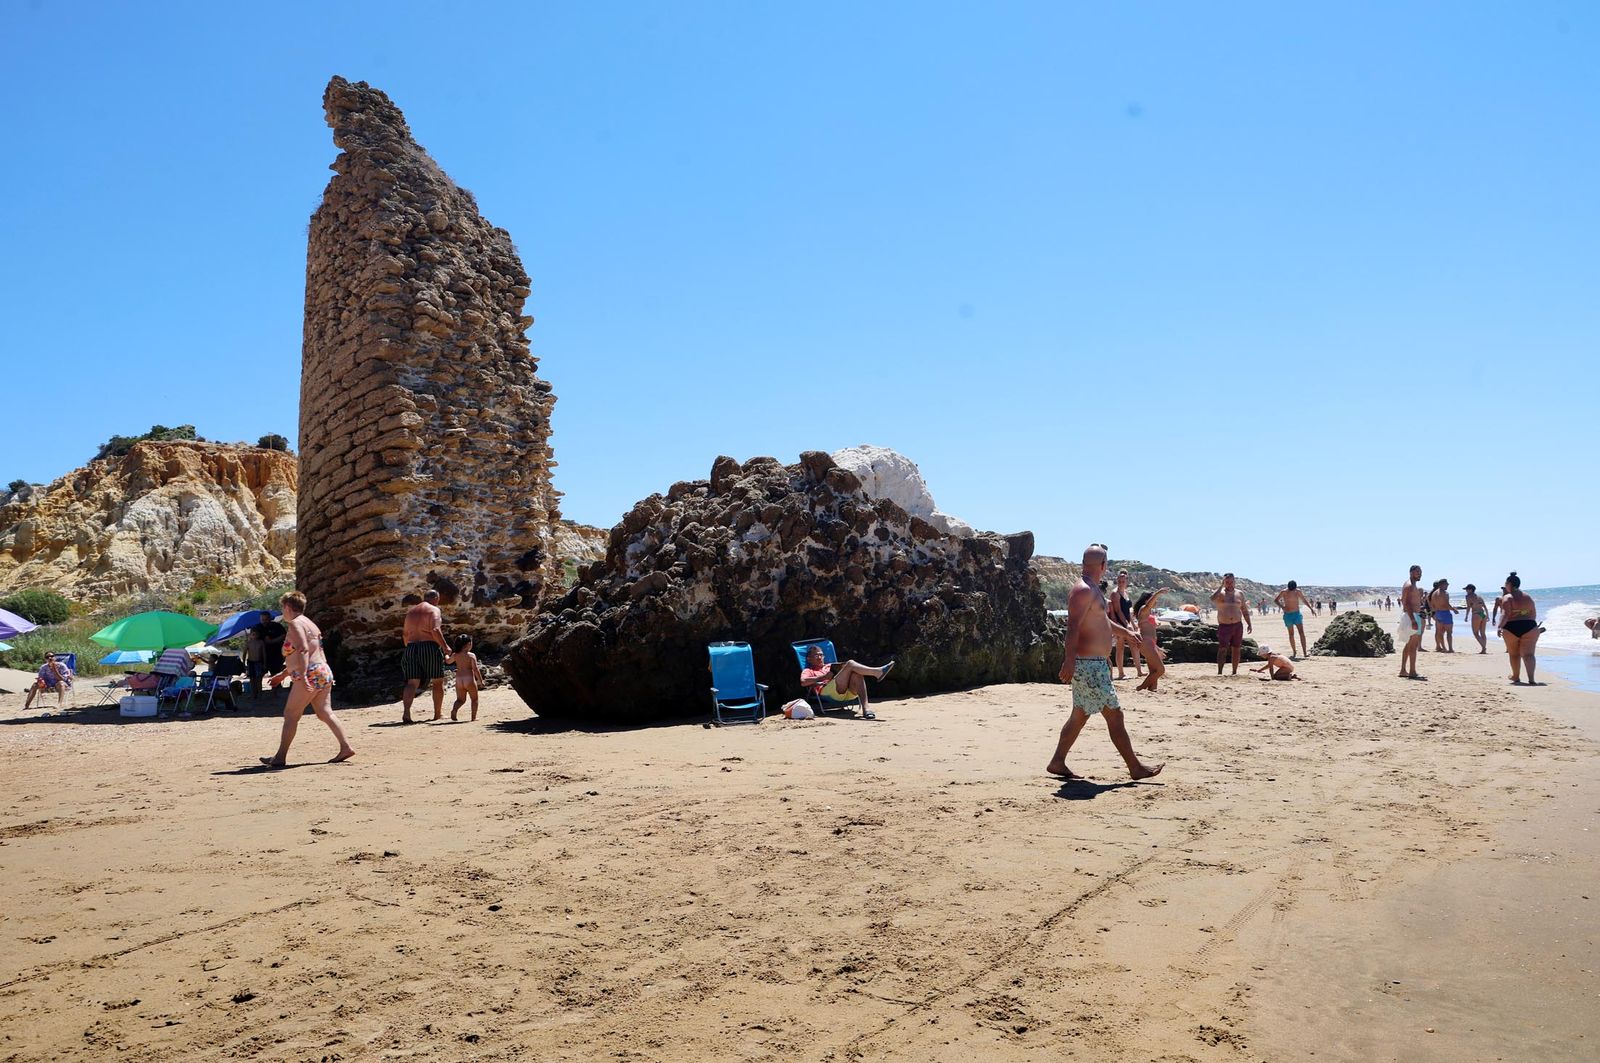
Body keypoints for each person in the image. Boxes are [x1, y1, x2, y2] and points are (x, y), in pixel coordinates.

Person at [1047, 544, 1163, 782]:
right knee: (1115, 716)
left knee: (1080, 715)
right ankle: (1135, 767)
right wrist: (1069, 661)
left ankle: (1058, 761)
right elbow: (1072, 627)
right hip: (1088, 664)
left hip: (1094, 663)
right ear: (1103, 565)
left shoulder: (1092, 590)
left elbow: (1102, 623)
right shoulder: (1082, 590)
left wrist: (1126, 633)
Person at [260, 591, 354, 768]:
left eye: (282, 607)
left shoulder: (295, 624)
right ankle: (345, 747)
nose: (283, 611)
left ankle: (280, 757)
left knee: (290, 715)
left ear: (288, 607)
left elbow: (303, 650)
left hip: (309, 673)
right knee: (325, 712)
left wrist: (302, 676)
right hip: (323, 670)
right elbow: (306, 652)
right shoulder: (310, 624)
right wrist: (283, 674)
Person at [800, 644, 893, 720]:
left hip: (848, 691)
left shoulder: (830, 666)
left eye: (821, 655)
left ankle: (866, 709)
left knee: (856, 674)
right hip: (828, 691)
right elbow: (803, 682)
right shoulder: (809, 670)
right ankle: (877, 672)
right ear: (809, 659)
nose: (820, 657)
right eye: (816, 655)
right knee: (851, 663)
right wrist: (823, 677)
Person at [401, 589, 451, 723]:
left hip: (411, 647)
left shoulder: (411, 612)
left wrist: (409, 647)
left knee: (412, 682)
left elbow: (405, 634)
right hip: (429, 646)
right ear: (436, 598)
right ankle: (437, 714)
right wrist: (445, 647)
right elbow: (435, 630)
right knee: (437, 680)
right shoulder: (433, 610)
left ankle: (406, 713)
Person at [1496, 573, 1542, 685]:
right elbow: (1533, 614)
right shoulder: (1528, 597)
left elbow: (1505, 614)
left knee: (1514, 654)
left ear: (1509, 584)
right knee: (1529, 655)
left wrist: (1499, 626)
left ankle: (1516, 677)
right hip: (1529, 626)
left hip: (1511, 627)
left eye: (1506, 583)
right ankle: (1531, 679)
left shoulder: (1507, 597)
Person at [1210, 573, 1253, 675]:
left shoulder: (1240, 593)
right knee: (1222, 649)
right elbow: (1212, 598)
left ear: (1235, 582)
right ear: (1224, 582)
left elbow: (1244, 610)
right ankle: (1220, 672)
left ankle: (1234, 672)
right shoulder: (1220, 593)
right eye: (1227, 582)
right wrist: (1221, 586)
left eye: (1231, 582)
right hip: (1224, 626)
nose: (1229, 584)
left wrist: (1249, 624)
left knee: (1237, 649)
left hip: (1237, 625)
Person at [1106, 569, 1143, 680]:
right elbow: (1118, 611)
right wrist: (1126, 625)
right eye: (1119, 581)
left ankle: (1139, 671)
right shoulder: (1115, 593)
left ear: (1127, 581)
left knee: (1134, 645)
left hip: (1127, 622)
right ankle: (1121, 673)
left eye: (1123, 581)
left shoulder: (1126, 593)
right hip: (1118, 623)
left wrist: (1133, 623)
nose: (1121, 583)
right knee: (1120, 647)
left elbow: (1128, 612)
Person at [1132, 589, 1169, 692]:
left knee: (1154, 671)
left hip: (1150, 643)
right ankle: (1140, 688)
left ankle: (1152, 690)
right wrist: (1158, 593)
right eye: (1153, 598)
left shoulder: (1148, 612)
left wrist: (1157, 648)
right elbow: (1148, 605)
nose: (1156, 601)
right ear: (1147, 600)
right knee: (1160, 670)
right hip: (1146, 642)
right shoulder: (1144, 608)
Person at [1274, 580, 1316, 659]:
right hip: (1288, 615)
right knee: (1291, 634)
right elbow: (1276, 600)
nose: (1292, 591)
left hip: (1297, 614)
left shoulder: (1298, 591)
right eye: (1291, 589)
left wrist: (1311, 608)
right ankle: (1294, 652)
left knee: (1301, 633)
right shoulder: (1284, 592)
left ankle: (1304, 652)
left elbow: (1304, 600)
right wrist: (1283, 607)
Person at [1397, 564, 1425, 679]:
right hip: (1411, 617)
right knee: (1413, 645)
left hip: (1413, 615)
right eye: (1417, 572)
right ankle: (1412, 671)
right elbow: (1406, 603)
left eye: (1420, 572)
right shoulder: (1409, 585)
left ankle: (1403, 670)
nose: (1420, 574)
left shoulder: (1413, 585)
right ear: (1411, 572)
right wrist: (1413, 620)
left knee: (1409, 645)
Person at [448, 634, 483, 722]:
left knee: (460, 700)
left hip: (459, 680)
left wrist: (446, 655)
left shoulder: (455, 655)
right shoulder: (471, 655)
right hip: (469, 679)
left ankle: (454, 710)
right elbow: (475, 669)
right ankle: (473, 717)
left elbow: (448, 662)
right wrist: (480, 681)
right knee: (474, 699)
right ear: (468, 644)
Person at [1428, 579, 1461, 653]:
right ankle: (1450, 648)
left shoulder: (1434, 594)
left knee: (1440, 632)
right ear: (1442, 584)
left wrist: (1436, 612)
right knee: (1449, 632)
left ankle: (1443, 647)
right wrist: (1454, 610)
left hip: (1438, 613)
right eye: (1446, 584)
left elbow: (1432, 605)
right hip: (1445, 613)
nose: (1448, 585)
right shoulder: (1445, 593)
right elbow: (1446, 604)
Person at [1461, 583, 1490, 654]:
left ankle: (1484, 647)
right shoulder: (1479, 596)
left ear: (1470, 590)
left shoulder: (1468, 596)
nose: (1466, 591)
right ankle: (1483, 650)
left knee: (1475, 633)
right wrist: (1488, 616)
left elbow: (1468, 607)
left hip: (1476, 614)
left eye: (1467, 589)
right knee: (1483, 633)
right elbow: (1485, 606)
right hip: (1483, 614)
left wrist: (1466, 616)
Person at [244, 626, 267, 699]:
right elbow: (244, 653)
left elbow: (264, 654)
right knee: (252, 679)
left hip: (259, 662)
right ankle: (253, 694)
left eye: (256, 634)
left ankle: (260, 694)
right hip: (250, 662)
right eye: (253, 634)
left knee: (259, 679)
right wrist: (243, 663)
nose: (254, 636)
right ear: (250, 635)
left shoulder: (261, 642)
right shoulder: (248, 643)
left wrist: (265, 664)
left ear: (258, 635)